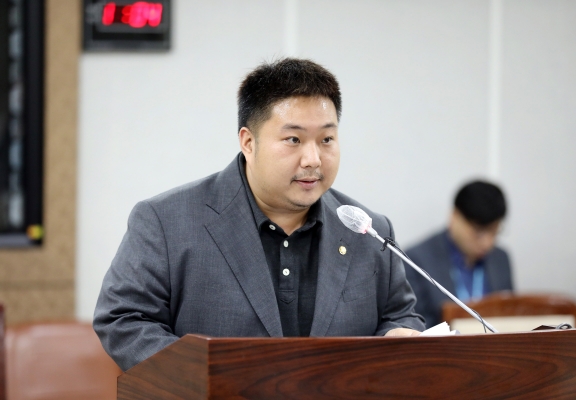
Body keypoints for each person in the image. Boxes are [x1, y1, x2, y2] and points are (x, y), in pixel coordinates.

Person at [94, 58, 425, 371]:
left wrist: (397, 335)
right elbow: (123, 319)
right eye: (293, 139)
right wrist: (203, 377)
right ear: (248, 142)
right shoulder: (166, 221)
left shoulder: (368, 230)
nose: (313, 159)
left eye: (326, 139)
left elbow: (399, 315)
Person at [405, 180, 513, 328]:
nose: (487, 242)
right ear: (454, 216)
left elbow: (510, 315)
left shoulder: (500, 259)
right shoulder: (416, 261)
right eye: (478, 232)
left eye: (494, 231)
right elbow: (416, 325)